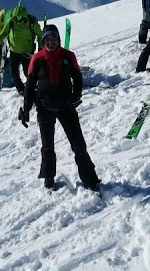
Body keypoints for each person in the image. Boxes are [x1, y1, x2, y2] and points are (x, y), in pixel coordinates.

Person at [19, 25, 100, 192]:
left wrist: (75, 97)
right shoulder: (37, 58)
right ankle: (48, 177)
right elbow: (30, 85)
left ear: (58, 39)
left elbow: (77, 78)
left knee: (78, 144)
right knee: (47, 146)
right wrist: (26, 108)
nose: (51, 42)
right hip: (44, 107)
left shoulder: (68, 56)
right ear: (43, 41)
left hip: (65, 106)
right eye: (47, 39)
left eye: (53, 38)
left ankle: (89, 178)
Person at [0, 5, 40, 94]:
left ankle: (34, 88)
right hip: (14, 52)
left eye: (21, 20)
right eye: (16, 19)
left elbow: (40, 35)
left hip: (27, 52)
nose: (18, 22)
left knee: (28, 73)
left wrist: (41, 49)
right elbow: (4, 33)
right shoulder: (11, 21)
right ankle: (22, 91)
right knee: (14, 74)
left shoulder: (32, 23)